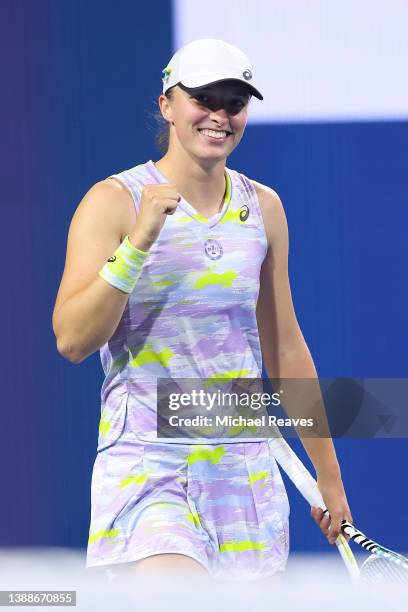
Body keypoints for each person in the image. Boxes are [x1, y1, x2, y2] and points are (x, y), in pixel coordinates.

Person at [52, 38, 352, 583]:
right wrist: (139, 241)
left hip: (243, 477)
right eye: (203, 98)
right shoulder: (113, 201)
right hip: (149, 469)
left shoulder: (263, 207)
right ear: (167, 104)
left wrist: (328, 477)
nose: (219, 115)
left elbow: (285, 345)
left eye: (234, 102)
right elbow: (73, 339)